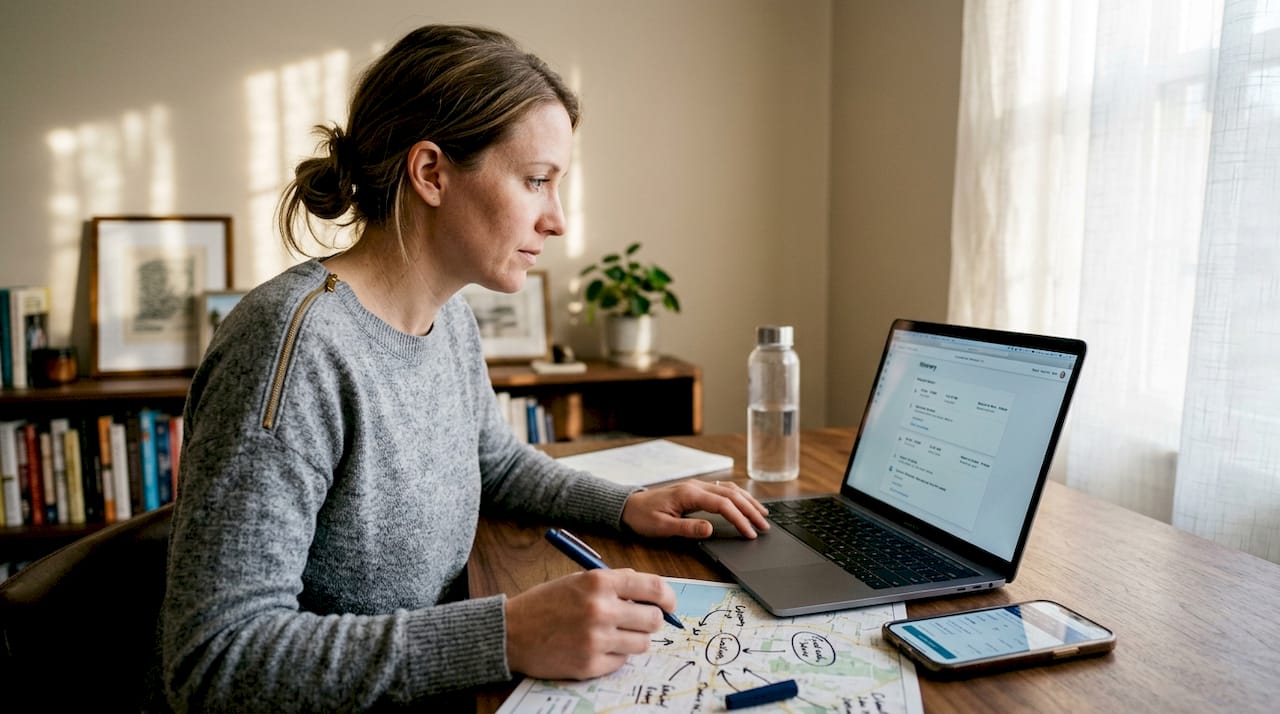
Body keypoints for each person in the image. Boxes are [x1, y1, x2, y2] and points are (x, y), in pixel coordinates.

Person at [159, 24, 770, 711]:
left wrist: (626, 506)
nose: (558, 220)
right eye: (537, 181)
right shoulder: (292, 349)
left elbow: (495, 463)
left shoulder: (446, 314)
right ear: (431, 173)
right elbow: (214, 659)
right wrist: (503, 635)